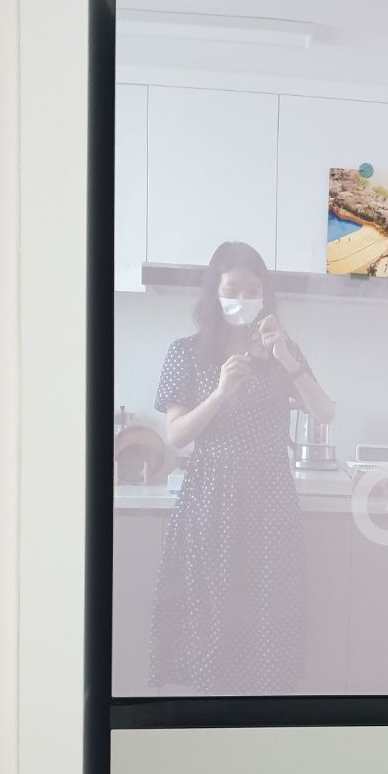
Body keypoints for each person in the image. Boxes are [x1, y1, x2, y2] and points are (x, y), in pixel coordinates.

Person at [150, 241, 335, 695]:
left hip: (269, 500)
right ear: (214, 291)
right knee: (210, 613)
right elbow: (176, 435)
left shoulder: (283, 352)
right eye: (232, 288)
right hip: (210, 500)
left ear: (265, 294)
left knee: (268, 611)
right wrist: (220, 393)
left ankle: (260, 719)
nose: (243, 298)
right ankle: (210, 718)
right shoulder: (186, 352)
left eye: (253, 290)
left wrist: (287, 358)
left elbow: (325, 412)